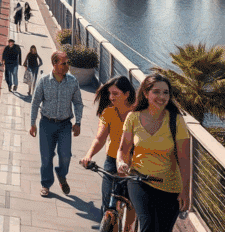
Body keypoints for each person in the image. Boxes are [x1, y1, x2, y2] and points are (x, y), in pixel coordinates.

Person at [116, 74, 191, 232]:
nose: (162, 97)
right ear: (145, 93)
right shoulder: (133, 118)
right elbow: (123, 150)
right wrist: (121, 162)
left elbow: (184, 159)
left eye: (166, 92)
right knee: (148, 223)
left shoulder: (176, 120)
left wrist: (185, 191)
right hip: (139, 180)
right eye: (156, 92)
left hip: (170, 187)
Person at [79, 76, 136, 217]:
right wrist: (89, 155)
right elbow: (100, 138)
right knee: (107, 203)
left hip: (135, 163)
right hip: (112, 160)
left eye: (115, 93)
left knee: (131, 205)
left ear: (127, 94)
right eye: (110, 93)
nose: (111, 97)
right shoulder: (108, 112)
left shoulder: (138, 114)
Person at [30, 50, 83, 197]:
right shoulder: (44, 81)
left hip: (65, 125)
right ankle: (46, 184)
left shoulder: (72, 81)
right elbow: (35, 103)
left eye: (68, 62)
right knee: (46, 157)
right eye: (64, 63)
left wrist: (78, 122)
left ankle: (61, 174)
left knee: (65, 155)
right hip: (46, 124)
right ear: (54, 64)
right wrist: (32, 123)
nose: (67, 66)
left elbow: (78, 103)